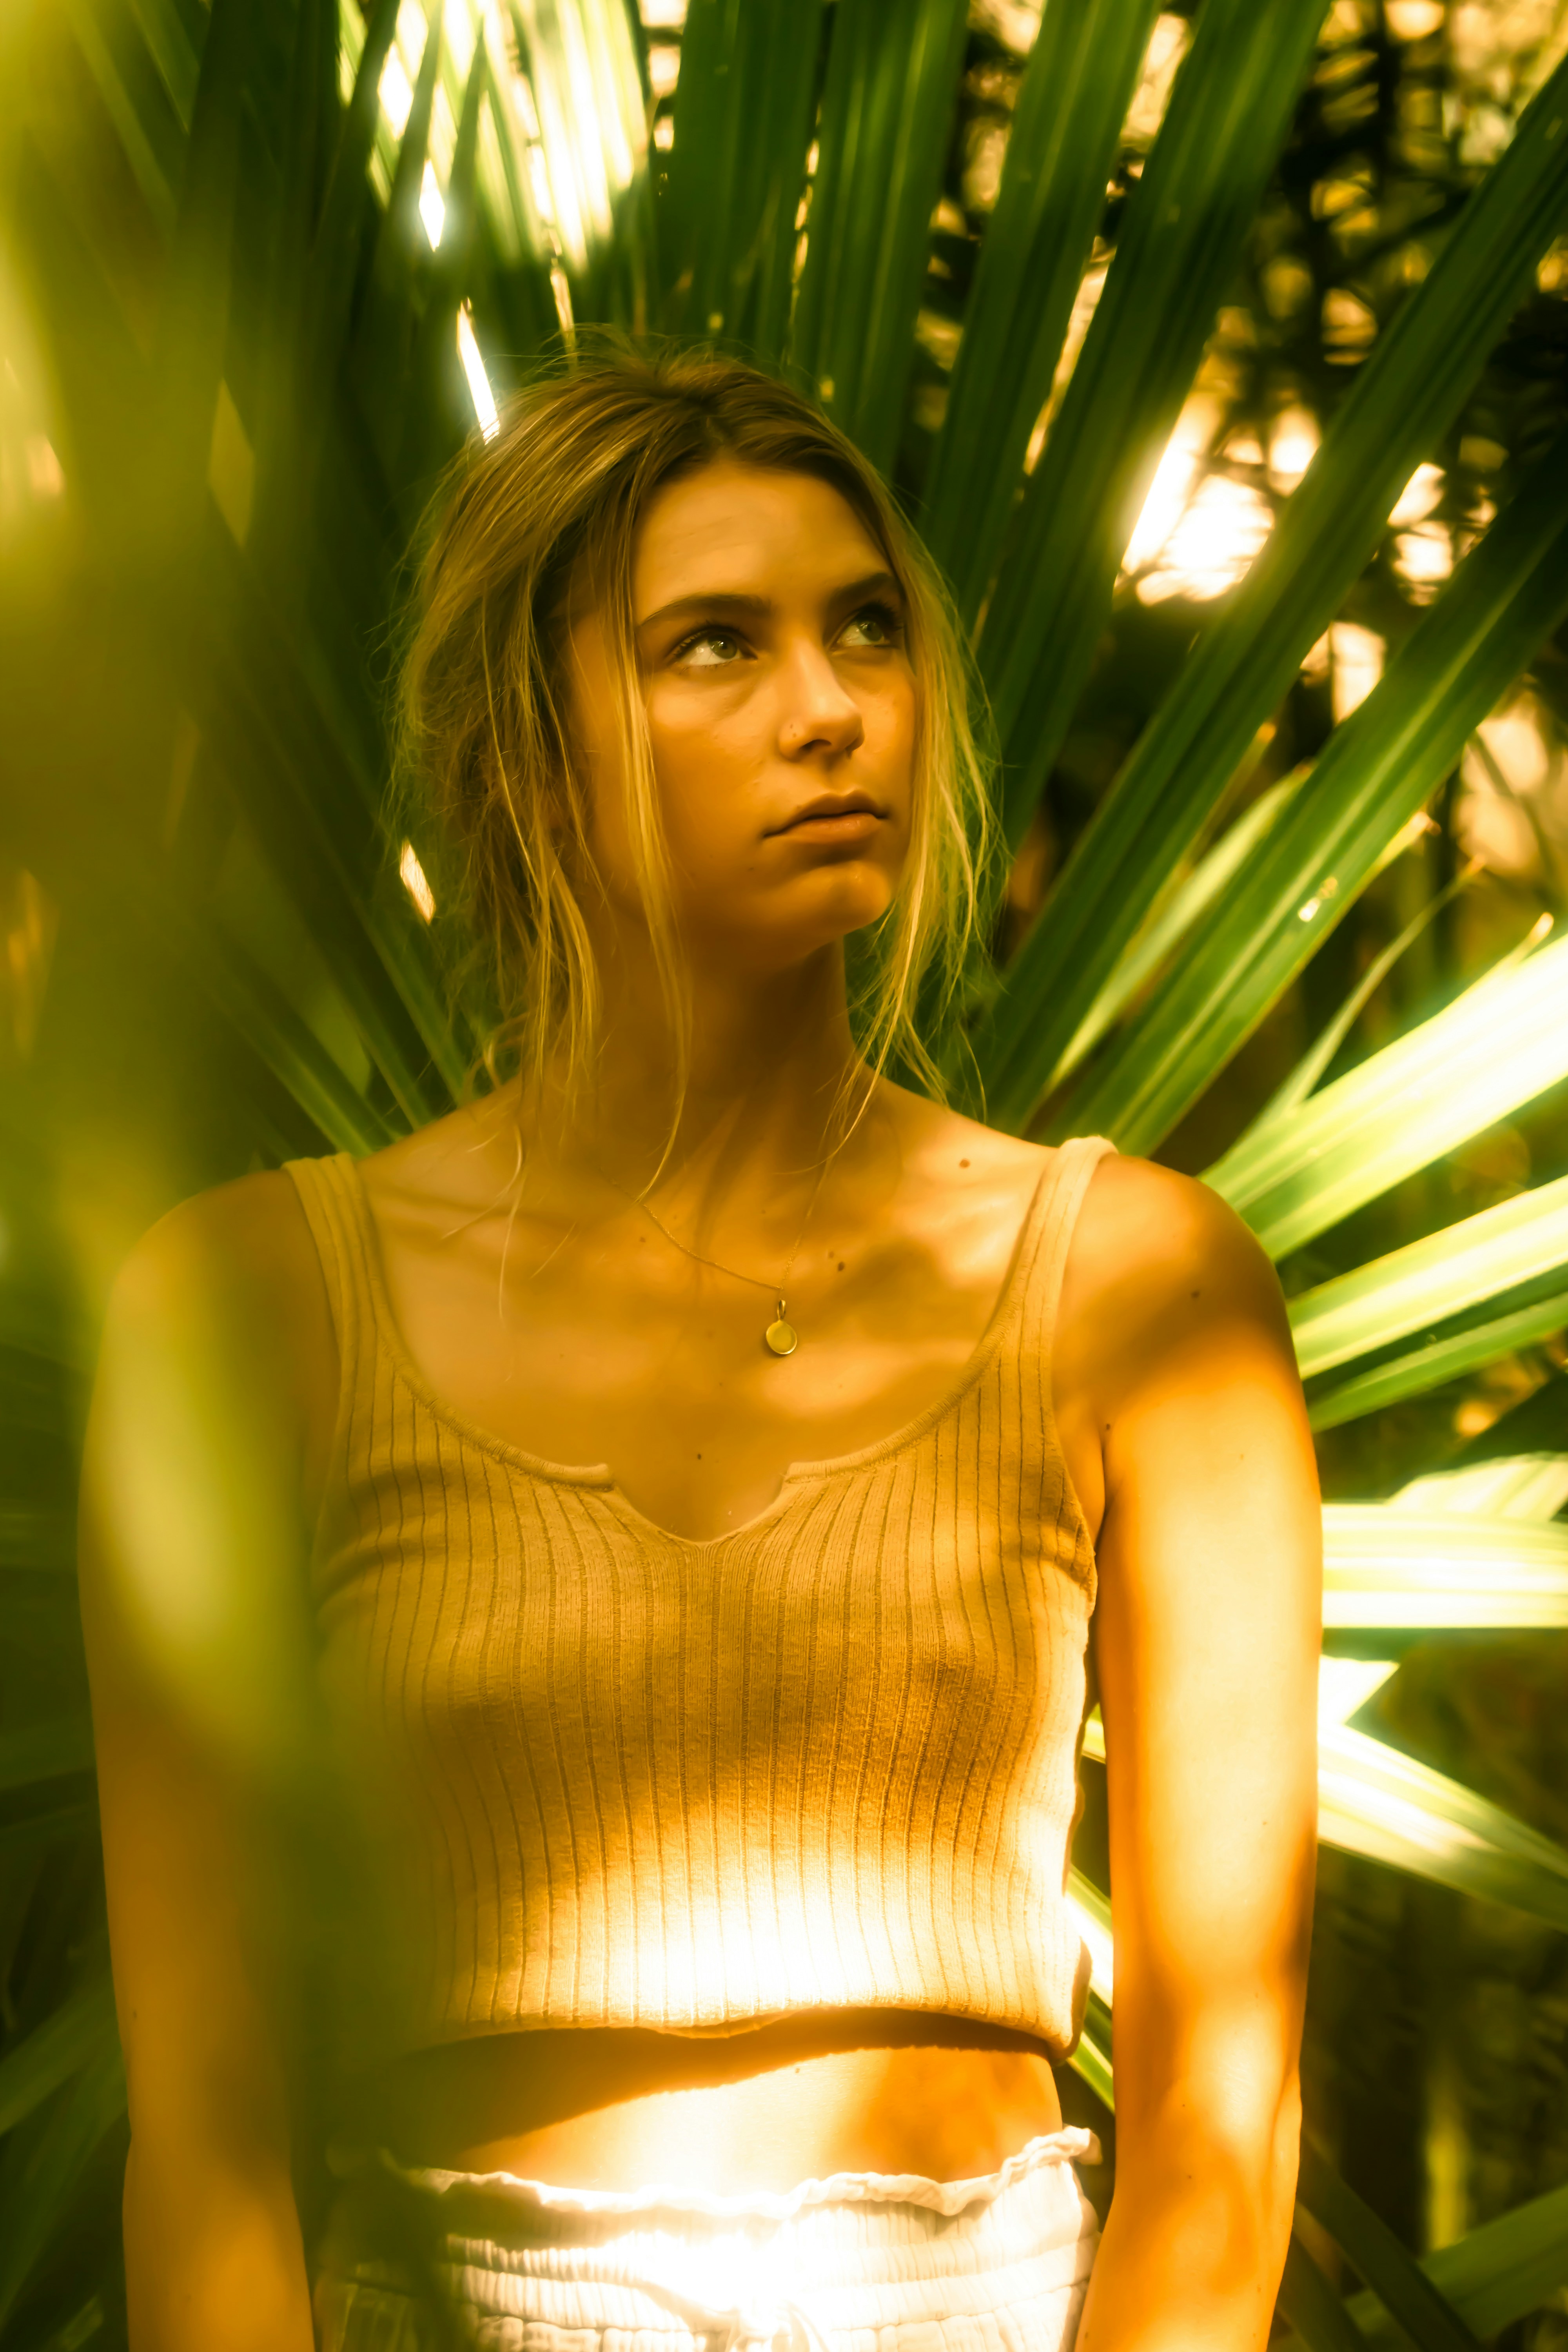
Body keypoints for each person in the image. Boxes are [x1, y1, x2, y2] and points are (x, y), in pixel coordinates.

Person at [78, 345, 1321, 2352]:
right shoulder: (247, 1308)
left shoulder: (1138, 1286)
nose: (831, 709)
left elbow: (1222, 2111)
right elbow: (207, 2141)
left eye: (865, 629)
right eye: (714, 645)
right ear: (527, 751)